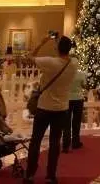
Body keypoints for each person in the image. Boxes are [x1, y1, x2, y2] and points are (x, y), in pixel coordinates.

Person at [24, 35, 77, 184]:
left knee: (36, 141)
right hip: (61, 109)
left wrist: (42, 41)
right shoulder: (73, 64)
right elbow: (68, 56)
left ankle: (30, 174)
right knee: (55, 142)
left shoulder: (50, 62)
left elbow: (29, 57)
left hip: (44, 107)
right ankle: (51, 175)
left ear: (57, 48)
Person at [63, 60, 86, 153]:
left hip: (67, 99)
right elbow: (84, 85)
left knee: (66, 123)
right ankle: (75, 142)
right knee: (76, 122)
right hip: (78, 99)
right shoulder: (81, 74)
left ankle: (65, 144)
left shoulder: (65, 74)